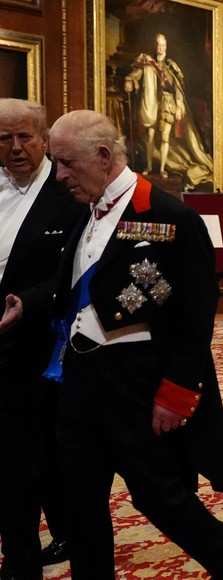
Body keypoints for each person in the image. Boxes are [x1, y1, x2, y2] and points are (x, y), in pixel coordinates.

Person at [42, 109, 223, 577]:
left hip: (137, 385)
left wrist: (177, 391)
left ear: (105, 155)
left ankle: (221, 550)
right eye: (57, 163)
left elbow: (194, 316)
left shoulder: (168, 217)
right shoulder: (84, 213)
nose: (60, 175)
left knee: (158, 495)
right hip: (79, 382)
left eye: (68, 162)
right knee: (80, 498)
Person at [0, 99, 83, 579]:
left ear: (44, 139)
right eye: (4, 138)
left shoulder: (67, 190)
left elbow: (77, 270)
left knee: (24, 457)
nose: (15, 148)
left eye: (25, 137)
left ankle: (21, 559)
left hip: (39, 346)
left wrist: (28, 303)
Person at [124, 33, 214, 189]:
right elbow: (135, 75)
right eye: (158, 44)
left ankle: (162, 169)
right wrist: (129, 81)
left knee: (165, 137)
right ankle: (149, 167)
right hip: (152, 103)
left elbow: (178, 90)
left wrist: (179, 106)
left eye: (163, 45)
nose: (160, 47)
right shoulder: (147, 63)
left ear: (166, 47)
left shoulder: (172, 66)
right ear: (155, 46)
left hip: (168, 105)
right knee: (150, 135)